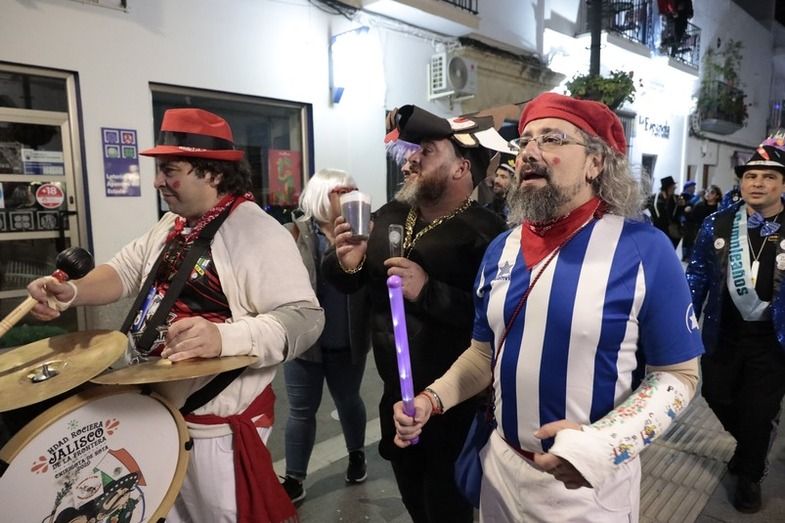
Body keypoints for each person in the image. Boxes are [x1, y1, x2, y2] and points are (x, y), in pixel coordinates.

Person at [393, 92, 703, 521]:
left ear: (595, 163)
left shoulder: (644, 250)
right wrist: (433, 398)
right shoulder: (501, 248)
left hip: (587, 489)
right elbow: (484, 354)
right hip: (499, 469)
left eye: (552, 139)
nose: (529, 153)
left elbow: (678, 375)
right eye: (524, 142)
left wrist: (605, 445)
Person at [27, 108, 324, 523]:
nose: (157, 181)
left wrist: (223, 338)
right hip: (157, 413)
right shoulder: (172, 224)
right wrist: (72, 292)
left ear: (213, 173)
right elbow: (124, 271)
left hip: (216, 430)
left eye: (170, 170)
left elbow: (305, 318)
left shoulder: (258, 232)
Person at [323, 105, 509, 523]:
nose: (410, 160)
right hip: (396, 400)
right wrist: (347, 261)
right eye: (412, 150)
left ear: (461, 167)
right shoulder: (390, 215)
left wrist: (429, 291)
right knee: (415, 504)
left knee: (448, 510)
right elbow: (346, 281)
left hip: (454, 406)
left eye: (426, 151)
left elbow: (497, 320)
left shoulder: (489, 234)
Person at [686, 131, 785, 514]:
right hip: (723, 332)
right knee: (716, 394)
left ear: (783, 185)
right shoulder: (718, 223)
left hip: (773, 340)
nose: (757, 183)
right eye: (750, 176)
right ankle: (749, 447)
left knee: (759, 411)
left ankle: (750, 475)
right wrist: (682, 324)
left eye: (769, 176)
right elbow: (696, 275)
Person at [280, 168, 371, 503]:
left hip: (348, 340)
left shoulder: (363, 234)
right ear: (321, 194)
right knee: (301, 410)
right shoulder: (293, 233)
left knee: (349, 401)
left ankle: (357, 455)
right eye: (340, 192)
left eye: (353, 190)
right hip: (303, 344)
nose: (349, 197)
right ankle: (294, 477)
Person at [648, 175, 683, 248]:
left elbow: (680, 212)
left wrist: (682, 206)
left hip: (672, 232)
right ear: (667, 188)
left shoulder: (676, 198)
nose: (674, 189)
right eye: (672, 187)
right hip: (658, 231)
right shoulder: (654, 199)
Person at [486, 152, 514, 222]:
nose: (496, 181)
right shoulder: (486, 210)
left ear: (513, 182)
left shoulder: (519, 214)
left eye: (503, 177)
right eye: (496, 175)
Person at [680, 180, 699, 261]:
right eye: (693, 187)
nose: (694, 188)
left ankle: (689, 255)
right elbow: (686, 205)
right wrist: (697, 197)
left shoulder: (693, 196)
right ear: (688, 188)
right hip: (686, 220)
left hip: (692, 220)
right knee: (687, 238)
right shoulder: (683, 195)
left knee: (691, 238)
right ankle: (685, 255)